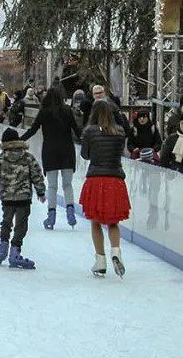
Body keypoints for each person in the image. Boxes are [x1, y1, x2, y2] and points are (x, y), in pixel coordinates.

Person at [0, 128, 46, 269]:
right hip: (23, 197)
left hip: (7, 197)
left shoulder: (1, 158)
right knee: (21, 224)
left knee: (6, 222)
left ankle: (3, 246)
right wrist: (41, 192)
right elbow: (37, 175)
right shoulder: (28, 157)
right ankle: (15, 251)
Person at [79, 101, 130, 278]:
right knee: (113, 221)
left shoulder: (89, 132)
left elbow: (85, 155)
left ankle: (100, 259)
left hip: (96, 178)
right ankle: (116, 251)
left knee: (95, 221)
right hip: (115, 179)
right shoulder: (120, 132)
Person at [21, 87, 82, 230]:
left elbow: (32, 130)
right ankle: (70, 210)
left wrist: (18, 139)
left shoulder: (44, 111)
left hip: (50, 151)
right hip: (67, 150)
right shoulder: (67, 110)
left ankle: (51, 215)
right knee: (67, 185)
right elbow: (77, 130)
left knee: (52, 186)